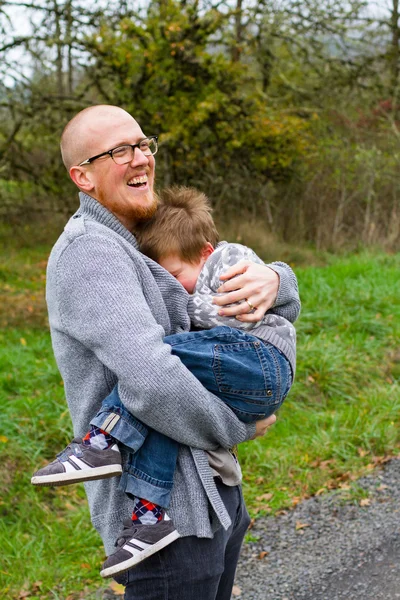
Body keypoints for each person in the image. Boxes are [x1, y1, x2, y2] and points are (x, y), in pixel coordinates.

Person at [37, 104, 300, 599]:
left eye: (142, 144)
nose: (139, 158)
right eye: (119, 151)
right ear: (83, 176)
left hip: (212, 494)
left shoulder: (147, 235)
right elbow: (153, 377)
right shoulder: (91, 251)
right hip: (160, 522)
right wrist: (241, 426)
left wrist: (277, 278)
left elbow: (228, 299)